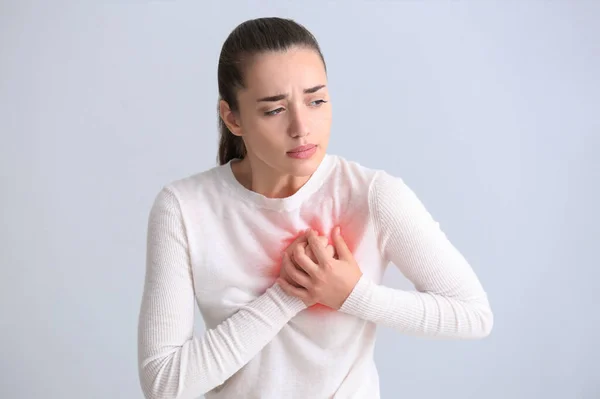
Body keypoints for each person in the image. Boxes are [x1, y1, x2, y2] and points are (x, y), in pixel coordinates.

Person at [137, 17, 493, 399]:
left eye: (316, 100)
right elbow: (164, 384)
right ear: (233, 118)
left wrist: (353, 294)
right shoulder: (184, 208)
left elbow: (473, 314)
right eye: (274, 110)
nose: (301, 127)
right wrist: (289, 295)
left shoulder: (372, 195)